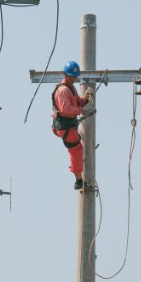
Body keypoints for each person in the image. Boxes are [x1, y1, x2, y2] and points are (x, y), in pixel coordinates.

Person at [51, 60, 90, 190]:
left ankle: (78, 175)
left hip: (67, 125)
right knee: (76, 150)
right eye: (72, 76)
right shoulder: (63, 90)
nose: (75, 79)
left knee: (77, 149)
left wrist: (84, 100)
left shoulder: (71, 88)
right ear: (65, 75)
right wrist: (80, 110)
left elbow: (77, 102)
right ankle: (78, 181)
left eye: (75, 76)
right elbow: (66, 109)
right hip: (64, 126)